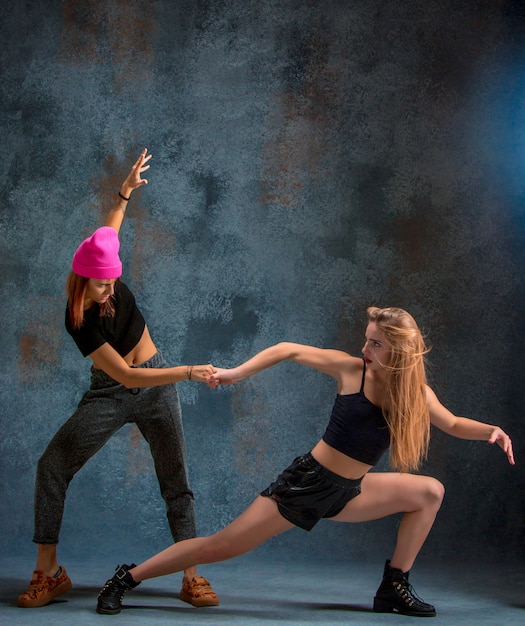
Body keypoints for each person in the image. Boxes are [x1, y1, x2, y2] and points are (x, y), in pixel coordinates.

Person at [95, 306, 515, 617]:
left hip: (350, 492)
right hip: (306, 484)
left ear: (400, 351)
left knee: (429, 492)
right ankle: (127, 578)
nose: (364, 347)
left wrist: (491, 431)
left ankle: (394, 586)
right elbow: (288, 350)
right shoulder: (353, 371)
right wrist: (236, 373)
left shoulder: (414, 394)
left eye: (375, 343)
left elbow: (455, 423)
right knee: (219, 547)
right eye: (366, 338)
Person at [17, 149, 219, 610]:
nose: (111, 289)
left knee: (176, 481)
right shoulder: (78, 322)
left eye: (114, 281)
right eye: (103, 285)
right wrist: (187, 372)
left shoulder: (102, 253)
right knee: (52, 465)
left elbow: (111, 224)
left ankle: (192, 574)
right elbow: (126, 375)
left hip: (156, 382)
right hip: (114, 390)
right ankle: (48, 572)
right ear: (82, 279)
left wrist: (125, 190)